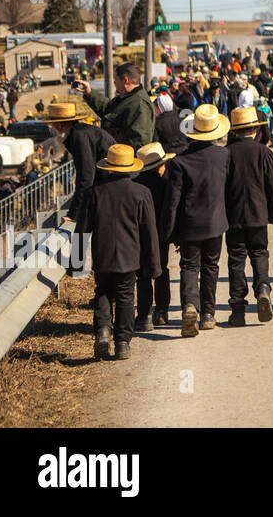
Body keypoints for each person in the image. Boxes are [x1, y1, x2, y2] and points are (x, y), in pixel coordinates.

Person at [161, 104, 232, 337]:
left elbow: (172, 202)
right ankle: (208, 314)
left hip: (189, 225)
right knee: (211, 267)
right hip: (215, 223)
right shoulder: (223, 156)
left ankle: (189, 306)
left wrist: (168, 233)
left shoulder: (179, 162)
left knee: (189, 266)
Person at [89, 144, 160, 360]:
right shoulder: (141, 193)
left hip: (102, 254)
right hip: (130, 255)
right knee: (125, 296)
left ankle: (102, 330)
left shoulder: (96, 193)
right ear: (131, 168)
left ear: (108, 168)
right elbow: (149, 230)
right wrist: (153, 263)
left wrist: (75, 261)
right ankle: (122, 343)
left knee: (102, 291)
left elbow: (83, 228)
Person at [223, 106, 273, 326]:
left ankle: (238, 308)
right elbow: (271, 187)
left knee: (236, 259)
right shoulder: (264, 152)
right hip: (258, 213)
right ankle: (263, 289)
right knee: (259, 253)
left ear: (234, 130)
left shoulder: (226, 152)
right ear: (256, 129)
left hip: (233, 215)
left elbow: (222, 187)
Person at [45, 101, 115, 237]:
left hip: (109, 185)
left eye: (52, 125)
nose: (51, 128)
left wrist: (74, 214)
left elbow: (86, 177)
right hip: (107, 184)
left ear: (59, 124)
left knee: (80, 238)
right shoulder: (81, 132)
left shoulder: (79, 136)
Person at [133, 142, 176, 329]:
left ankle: (144, 315)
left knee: (142, 274)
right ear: (161, 164)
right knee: (161, 270)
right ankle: (162, 311)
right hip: (161, 234)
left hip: (139, 235)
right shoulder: (166, 183)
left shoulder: (135, 185)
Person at [74, 63, 155, 150]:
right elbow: (108, 109)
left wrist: (119, 157)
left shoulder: (140, 104)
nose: (114, 83)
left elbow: (139, 143)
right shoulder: (127, 98)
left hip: (123, 160)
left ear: (125, 80)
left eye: (115, 80)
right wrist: (89, 92)